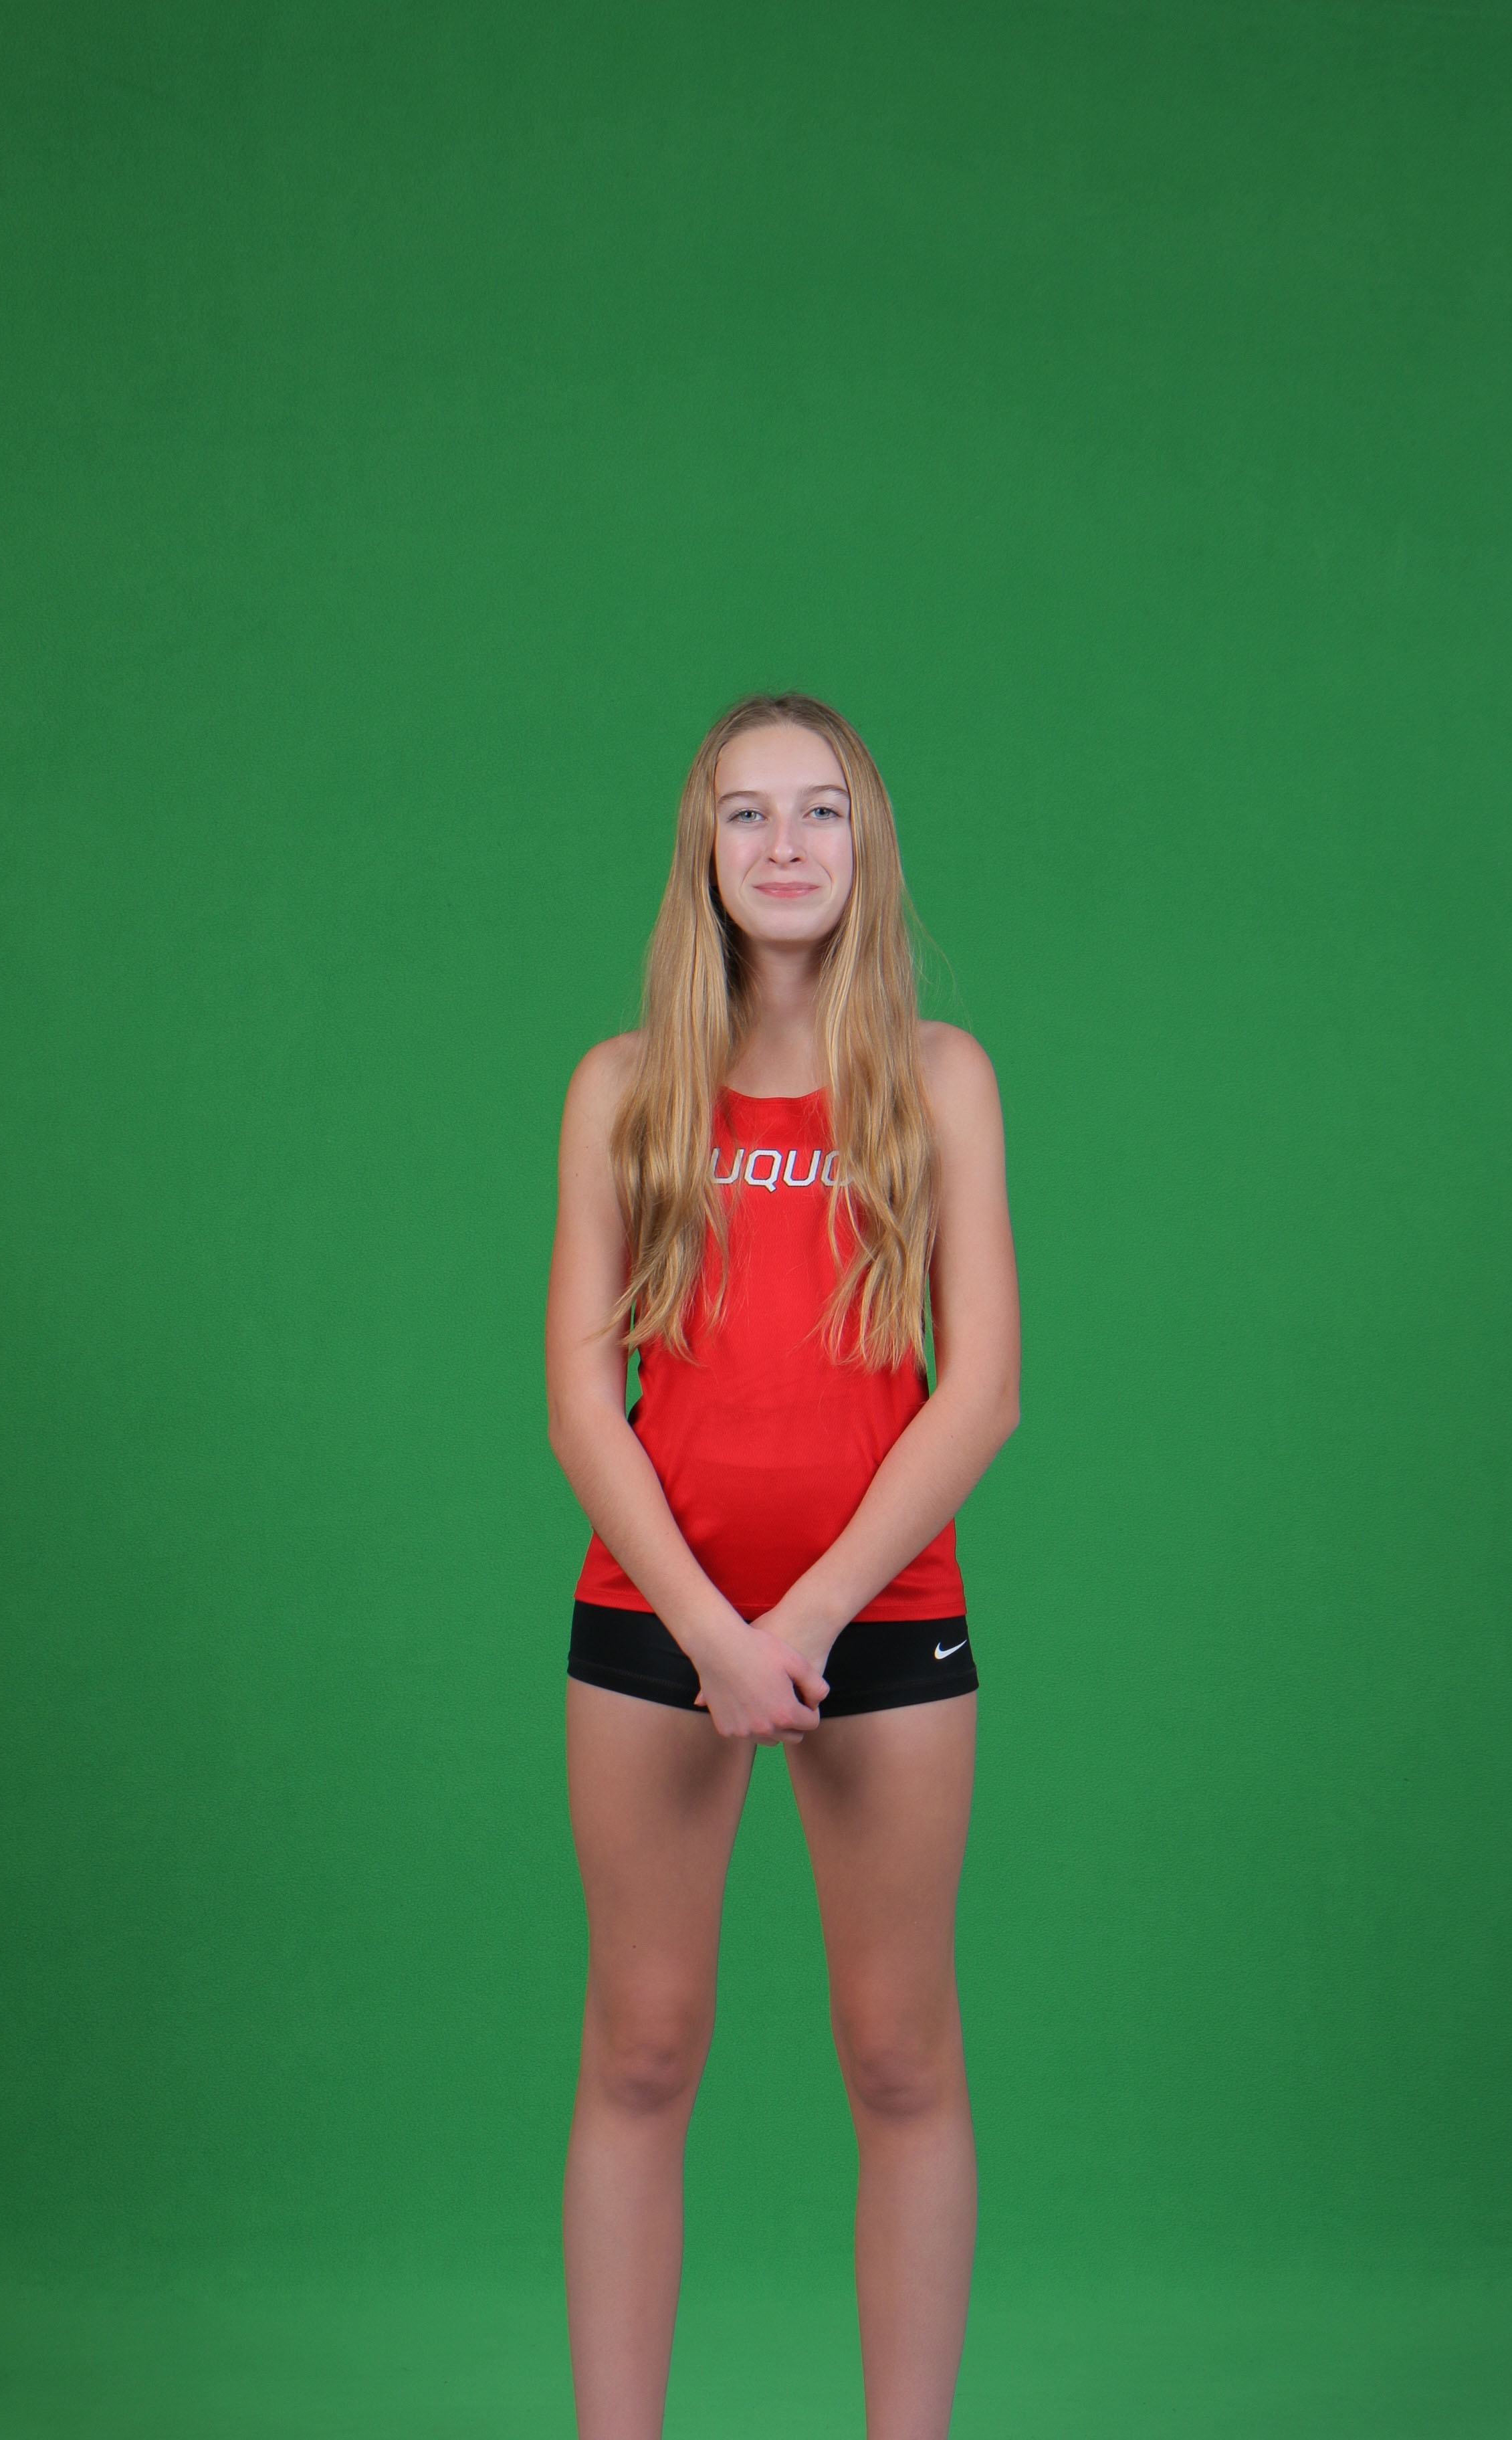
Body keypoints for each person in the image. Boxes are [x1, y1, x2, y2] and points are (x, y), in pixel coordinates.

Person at [544, 692, 1020, 2440]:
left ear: (865, 845)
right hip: (655, 1621)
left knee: (899, 2057)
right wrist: (710, 1630)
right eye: (748, 814)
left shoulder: (942, 1077)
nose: (787, 844)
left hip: (879, 1622)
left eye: (822, 810)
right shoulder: (622, 1088)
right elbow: (580, 1398)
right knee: (641, 2048)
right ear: (705, 855)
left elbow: (982, 1390)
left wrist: (805, 1619)